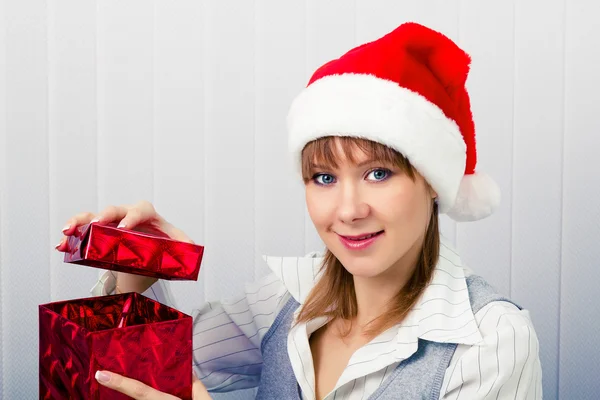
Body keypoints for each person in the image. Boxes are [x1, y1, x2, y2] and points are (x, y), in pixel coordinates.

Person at [56, 22, 542, 399]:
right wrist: (139, 270)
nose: (348, 210)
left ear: (432, 183)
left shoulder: (491, 340)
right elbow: (154, 370)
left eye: (378, 173)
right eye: (324, 179)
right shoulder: (290, 295)